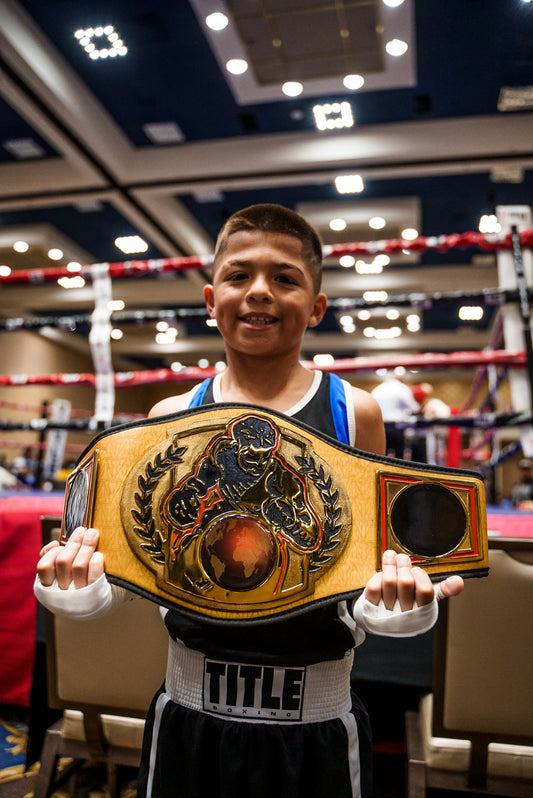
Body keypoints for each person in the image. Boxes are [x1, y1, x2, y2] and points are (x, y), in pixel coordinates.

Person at [35, 204, 464, 798]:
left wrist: (398, 601)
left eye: (285, 278)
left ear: (316, 307)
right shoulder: (170, 419)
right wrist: (80, 585)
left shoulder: (352, 413)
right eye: (239, 276)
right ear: (212, 300)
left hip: (315, 722)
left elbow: (364, 566)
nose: (259, 292)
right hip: (187, 714)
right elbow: (140, 563)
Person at [371, 370, 419, 458]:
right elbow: (414, 408)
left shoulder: (378, 389)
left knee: (382, 455)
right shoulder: (402, 388)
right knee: (398, 457)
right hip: (396, 427)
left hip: (380, 427)